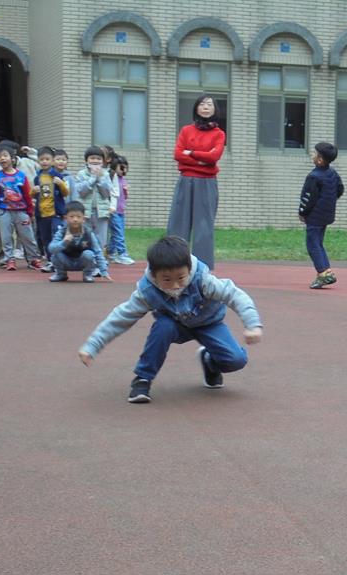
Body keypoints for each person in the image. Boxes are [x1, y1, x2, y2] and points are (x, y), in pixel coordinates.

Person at [79, 235, 262, 403]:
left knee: (237, 360)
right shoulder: (148, 291)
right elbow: (121, 317)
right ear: (154, 275)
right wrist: (93, 345)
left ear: (189, 269)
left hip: (209, 323)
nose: (175, 285)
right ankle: (143, 378)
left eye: (181, 278)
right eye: (166, 280)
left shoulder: (203, 280)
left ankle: (209, 362)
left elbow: (235, 296)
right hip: (174, 324)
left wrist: (252, 324)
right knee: (163, 327)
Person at [167, 94, 225, 269]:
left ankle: (202, 267)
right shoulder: (186, 130)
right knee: (178, 223)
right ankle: (173, 262)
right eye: (202, 104)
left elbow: (214, 157)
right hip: (186, 181)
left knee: (204, 227)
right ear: (196, 108)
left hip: (207, 182)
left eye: (209, 104)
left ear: (215, 109)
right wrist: (201, 159)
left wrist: (191, 153)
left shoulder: (219, 134)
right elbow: (178, 154)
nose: (205, 107)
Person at [0, 143, 42, 270]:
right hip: (4, 212)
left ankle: (33, 259)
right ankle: (9, 259)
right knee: (6, 237)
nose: (2, 158)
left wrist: (30, 212)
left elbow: (27, 195)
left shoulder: (21, 176)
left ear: (12, 158)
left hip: (21, 211)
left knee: (28, 236)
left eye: (5, 155)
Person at [298, 141, 345, 289]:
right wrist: (329, 201)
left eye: (314, 153)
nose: (312, 155)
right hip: (326, 215)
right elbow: (340, 189)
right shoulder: (332, 173)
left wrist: (302, 212)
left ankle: (323, 273)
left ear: (319, 160)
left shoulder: (314, 176)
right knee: (318, 243)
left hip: (315, 216)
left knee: (312, 244)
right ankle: (327, 271)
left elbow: (308, 197)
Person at [73, 146, 114, 277]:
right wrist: (92, 179)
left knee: (101, 240)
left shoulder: (106, 174)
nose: (95, 161)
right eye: (92, 158)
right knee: (86, 239)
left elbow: (107, 193)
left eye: (98, 158)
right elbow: (81, 191)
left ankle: (99, 266)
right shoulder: (81, 174)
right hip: (85, 212)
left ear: (103, 161)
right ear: (86, 160)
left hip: (101, 213)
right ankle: (88, 265)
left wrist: (100, 178)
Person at [46, 201, 103, 283]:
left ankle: (87, 274)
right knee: (56, 253)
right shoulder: (61, 232)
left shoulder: (89, 233)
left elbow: (98, 251)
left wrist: (103, 270)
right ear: (66, 218)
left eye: (78, 217)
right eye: (71, 216)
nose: (75, 219)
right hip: (66, 261)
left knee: (89, 254)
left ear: (83, 219)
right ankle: (61, 274)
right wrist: (63, 243)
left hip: (82, 262)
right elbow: (51, 248)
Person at [32, 146, 69, 266]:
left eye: (47, 159)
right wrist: (33, 191)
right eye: (42, 159)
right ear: (38, 161)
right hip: (42, 214)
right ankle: (50, 261)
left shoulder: (57, 176)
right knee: (45, 238)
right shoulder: (37, 178)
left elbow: (65, 193)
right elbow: (33, 195)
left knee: (57, 236)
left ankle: (60, 259)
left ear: (52, 161)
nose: (44, 162)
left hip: (55, 213)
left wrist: (61, 184)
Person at [107, 154, 134, 265]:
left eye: (125, 167)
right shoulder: (112, 178)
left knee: (116, 233)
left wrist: (126, 191)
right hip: (114, 211)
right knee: (119, 233)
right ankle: (122, 254)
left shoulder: (123, 180)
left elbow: (124, 197)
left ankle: (111, 252)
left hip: (121, 211)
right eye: (121, 167)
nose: (124, 170)